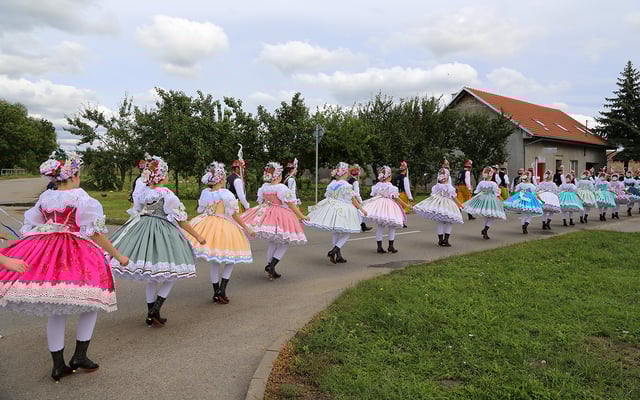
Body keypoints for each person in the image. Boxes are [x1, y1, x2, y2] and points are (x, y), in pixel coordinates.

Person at [0, 152, 128, 382]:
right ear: (75, 175)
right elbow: (95, 233)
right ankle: (80, 356)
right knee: (92, 301)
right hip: (76, 251)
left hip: (46, 250)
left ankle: (58, 365)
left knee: (56, 309)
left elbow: (32, 225)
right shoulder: (82, 198)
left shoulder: (46, 197)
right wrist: (118, 255)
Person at [109, 156, 205, 327]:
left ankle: (151, 313)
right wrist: (197, 236)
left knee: (152, 276)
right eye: (166, 174)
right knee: (172, 271)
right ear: (161, 176)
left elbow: (137, 210)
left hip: (143, 227)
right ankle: (155, 309)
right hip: (163, 231)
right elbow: (181, 219)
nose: (167, 176)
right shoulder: (168, 195)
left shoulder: (144, 193)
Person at [187, 162, 255, 303]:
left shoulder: (205, 193)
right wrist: (247, 228)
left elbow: (201, 209)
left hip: (206, 223)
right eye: (224, 177)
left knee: (215, 261)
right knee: (230, 259)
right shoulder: (226, 194)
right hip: (223, 225)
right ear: (220, 179)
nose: (225, 180)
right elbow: (234, 214)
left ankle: (216, 292)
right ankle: (222, 290)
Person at [242, 162, 308, 279]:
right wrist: (302, 216)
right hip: (280, 214)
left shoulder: (264, 187)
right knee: (285, 242)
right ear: (278, 176)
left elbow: (261, 202)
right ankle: (271, 266)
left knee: (272, 242)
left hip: (267, 212)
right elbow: (291, 204)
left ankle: (270, 268)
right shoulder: (281, 188)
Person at [306, 162, 367, 263]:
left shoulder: (332, 184)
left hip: (333, 207)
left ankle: (338, 256)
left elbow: (328, 196)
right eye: (347, 172)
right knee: (347, 232)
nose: (348, 173)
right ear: (345, 173)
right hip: (344, 208)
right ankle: (334, 251)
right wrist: (362, 209)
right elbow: (352, 199)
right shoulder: (346, 185)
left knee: (336, 232)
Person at [361, 166, 409, 253]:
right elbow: (396, 198)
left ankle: (379, 247)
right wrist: (405, 205)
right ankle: (391, 246)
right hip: (390, 206)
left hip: (379, 205)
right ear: (389, 177)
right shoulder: (391, 187)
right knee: (392, 226)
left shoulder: (377, 186)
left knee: (380, 226)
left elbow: (374, 195)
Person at [414, 168, 463, 246]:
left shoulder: (437, 186)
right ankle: (446, 240)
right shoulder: (449, 187)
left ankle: (440, 240)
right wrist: (460, 204)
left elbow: (433, 195)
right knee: (449, 222)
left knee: (440, 222)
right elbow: (454, 197)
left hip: (439, 204)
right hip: (448, 205)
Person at [462, 167, 506, 239]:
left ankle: (485, 230)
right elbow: (497, 194)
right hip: (491, 199)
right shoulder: (493, 184)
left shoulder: (481, 183)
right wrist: (503, 201)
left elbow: (477, 191)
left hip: (482, 198)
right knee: (491, 216)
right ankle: (485, 229)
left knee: (488, 215)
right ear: (491, 175)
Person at [348, 164, 372, 231]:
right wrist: (360, 201)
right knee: (358, 212)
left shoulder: (349, 180)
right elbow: (357, 193)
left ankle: (363, 226)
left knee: (356, 213)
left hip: (348, 198)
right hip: (353, 199)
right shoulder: (355, 182)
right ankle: (360, 226)